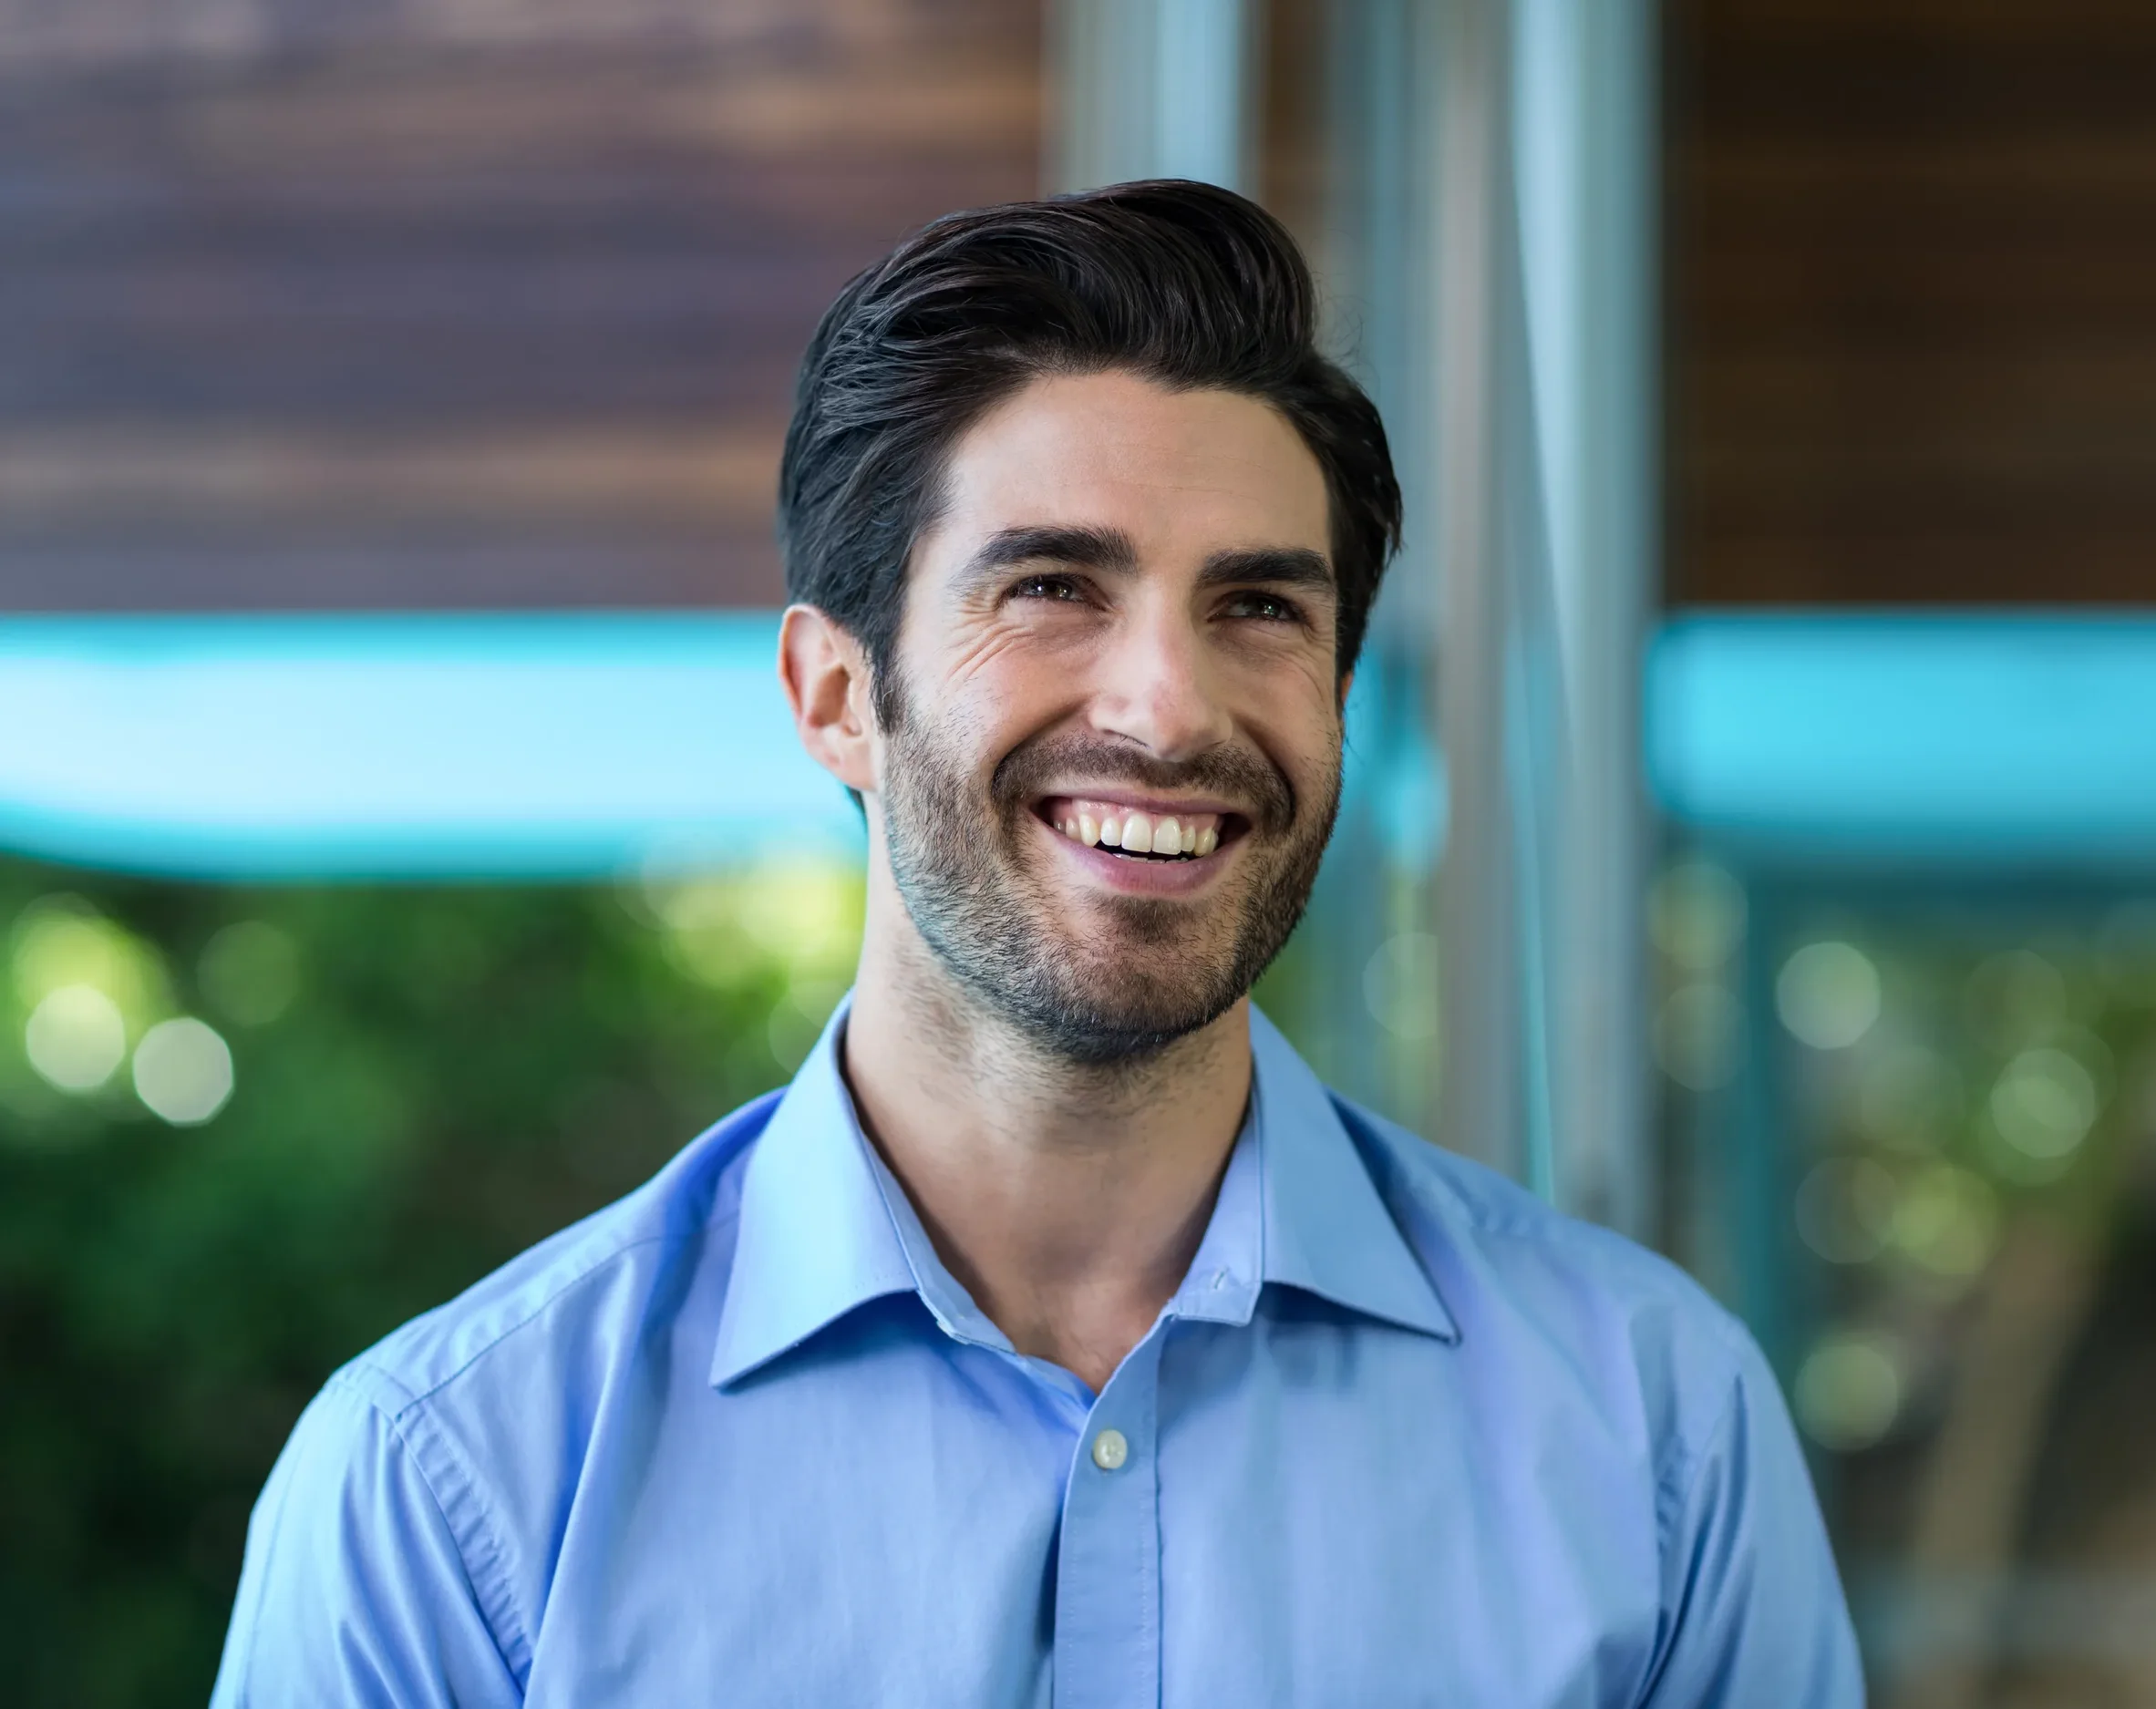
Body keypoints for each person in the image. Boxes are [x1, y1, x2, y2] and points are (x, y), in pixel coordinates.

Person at [212, 180, 1862, 1707]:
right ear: (836, 695)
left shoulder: (1655, 1429)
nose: (1167, 704)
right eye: (1055, 586)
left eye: (1261, 608)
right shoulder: (451, 1483)